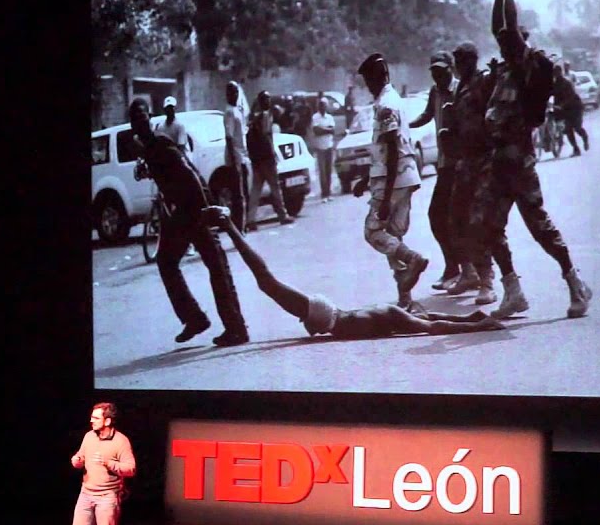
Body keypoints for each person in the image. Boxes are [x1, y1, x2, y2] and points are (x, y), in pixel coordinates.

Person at [470, 0, 592, 318]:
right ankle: (513, 290)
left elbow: (504, 26)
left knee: (539, 226)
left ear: (521, 42)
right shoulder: (506, 69)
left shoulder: (527, 66)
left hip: (518, 161)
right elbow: (499, 29)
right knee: (484, 224)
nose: (504, 41)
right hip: (498, 160)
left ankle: (576, 284)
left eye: (512, 40)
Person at [201, 206, 504, 338]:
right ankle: (475, 319)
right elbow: (431, 323)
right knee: (265, 282)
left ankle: (476, 322)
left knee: (266, 283)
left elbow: (431, 324)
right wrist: (472, 323)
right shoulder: (385, 318)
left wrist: (473, 326)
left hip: (329, 313)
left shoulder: (387, 318)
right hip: (332, 313)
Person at [130, 99, 251, 346]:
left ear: (150, 118)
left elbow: (189, 174)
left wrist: (205, 210)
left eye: (142, 117)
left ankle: (236, 328)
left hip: (194, 209)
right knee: (167, 261)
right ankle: (194, 318)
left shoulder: (161, 144)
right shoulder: (149, 148)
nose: (139, 122)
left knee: (217, 266)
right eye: (134, 119)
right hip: (180, 215)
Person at [354, 53, 429, 310]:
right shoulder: (393, 99)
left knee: (373, 231)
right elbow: (388, 150)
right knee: (392, 239)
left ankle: (414, 260)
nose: (368, 86)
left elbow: (393, 150)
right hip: (402, 177)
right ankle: (405, 298)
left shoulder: (386, 104)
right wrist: (366, 178)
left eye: (369, 81)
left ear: (379, 77)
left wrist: (385, 198)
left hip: (393, 181)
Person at [441, 41, 507, 307]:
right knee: (455, 218)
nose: (456, 66)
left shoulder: (483, 82)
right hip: (464, 161)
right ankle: (468, 272)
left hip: (484, 162)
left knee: (479, 221)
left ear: (470, 60)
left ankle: (487, 280)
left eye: (459, 60)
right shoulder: (461, 88)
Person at [408, 51, 465, 290]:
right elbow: (427, 115)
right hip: (444, 164)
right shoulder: (435, 92)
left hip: (461, 164)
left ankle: (469, 270)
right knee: (436, 217)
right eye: (434, 72)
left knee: (459, 219)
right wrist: (405, 124)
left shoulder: (460, 90)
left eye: (442, 71)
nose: (438, 76)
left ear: (451, 69)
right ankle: (453, 266)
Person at [65, 402, 136, 525]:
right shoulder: (89, 436)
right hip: (86, 494)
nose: (91, 420)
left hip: (107, 497)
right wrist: (77, 460)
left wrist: (109, 463)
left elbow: (130, 469)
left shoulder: (121, 441)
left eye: (96, 418)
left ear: (107, 421)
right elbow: (80, 456)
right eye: (92, 417)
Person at [245, 90, 294, 230]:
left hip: (256, 158)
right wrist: (273, 154)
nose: (268, 102)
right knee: (275, 187)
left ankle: (250, 219)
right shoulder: (266, 116)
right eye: (266, 99)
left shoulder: (254, 117)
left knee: (256, 189)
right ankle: (282, 215)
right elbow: (267, 136)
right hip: (266, 157)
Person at [223, 81, 252, 232]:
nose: (234, 95)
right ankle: (239, 227)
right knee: (238, 195)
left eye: (236, 92)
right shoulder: (229, 112)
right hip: (236, 157)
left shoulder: (236, 110)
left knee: (244, 193)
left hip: (242, 156)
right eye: (231, 93)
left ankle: (243, 224)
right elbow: (229, 137)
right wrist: (234, 161)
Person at [551, 62, 588, 156]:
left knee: (577, 127)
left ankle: (585, 138)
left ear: (560, 72)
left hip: (575, 108)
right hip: (564, 110)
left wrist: (562, 105)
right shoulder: (554, 85)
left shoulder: (566, 83)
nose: (556, 75)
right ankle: (576, 149)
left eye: (557, 73)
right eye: (554, 73)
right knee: (568, 130)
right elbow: (549, 94)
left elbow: (571, 97)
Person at [311, 94, 336, 201]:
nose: (322, 107)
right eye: (320, 105)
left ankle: (329, 193)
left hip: (329, 146)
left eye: (324, 105)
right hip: (320, 147)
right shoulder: (315, 117)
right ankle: (324, 194)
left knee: (329, 170)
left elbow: (333, 130)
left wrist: (323, 129)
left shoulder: (329, 117)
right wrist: (327, 130)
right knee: (322, 172)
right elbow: (316, 131)